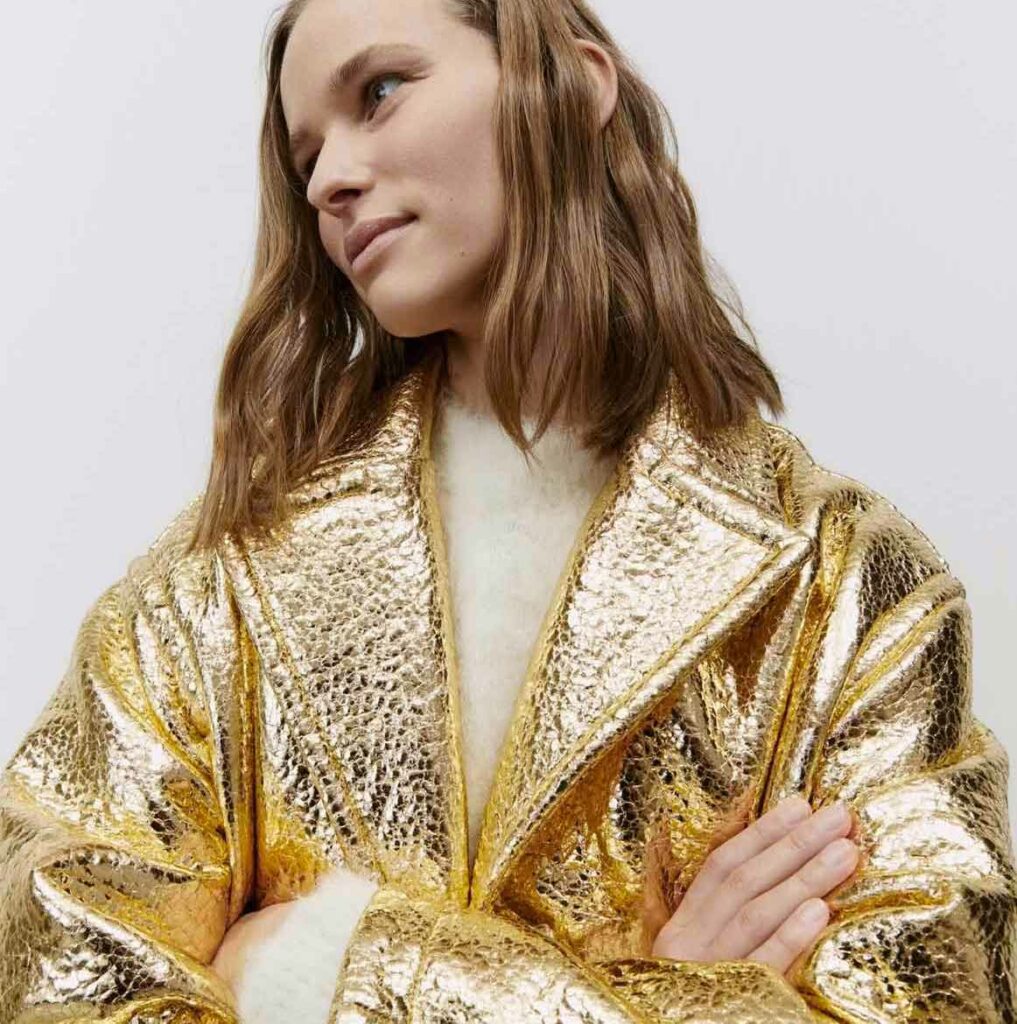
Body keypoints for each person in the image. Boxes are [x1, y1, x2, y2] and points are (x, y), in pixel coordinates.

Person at [1, 0, 1014, 1022]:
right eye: (305, 155)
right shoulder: (216, 582)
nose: (327, 180)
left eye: (380, 91)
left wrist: (315, 966)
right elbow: (61, 975)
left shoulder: (850, 586)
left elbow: (936, 1001)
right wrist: (677, 996)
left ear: (570, 84)